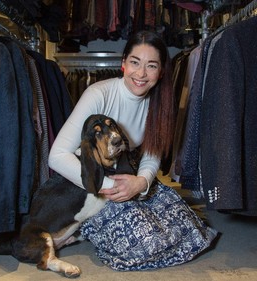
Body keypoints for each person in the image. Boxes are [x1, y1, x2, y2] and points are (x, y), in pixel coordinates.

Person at [48, 30, 217, 271]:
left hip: (129, 176)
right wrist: (109, 188)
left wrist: (141, 183)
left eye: (151, 66)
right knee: (144, 242)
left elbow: (152, 153)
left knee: (191, 229)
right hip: (90, 188)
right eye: (135, 63)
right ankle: (91, 231)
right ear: (123, 63)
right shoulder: (98, 94)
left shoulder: (158, 103)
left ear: (160, 73)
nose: (141, 73)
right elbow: (57, 156)